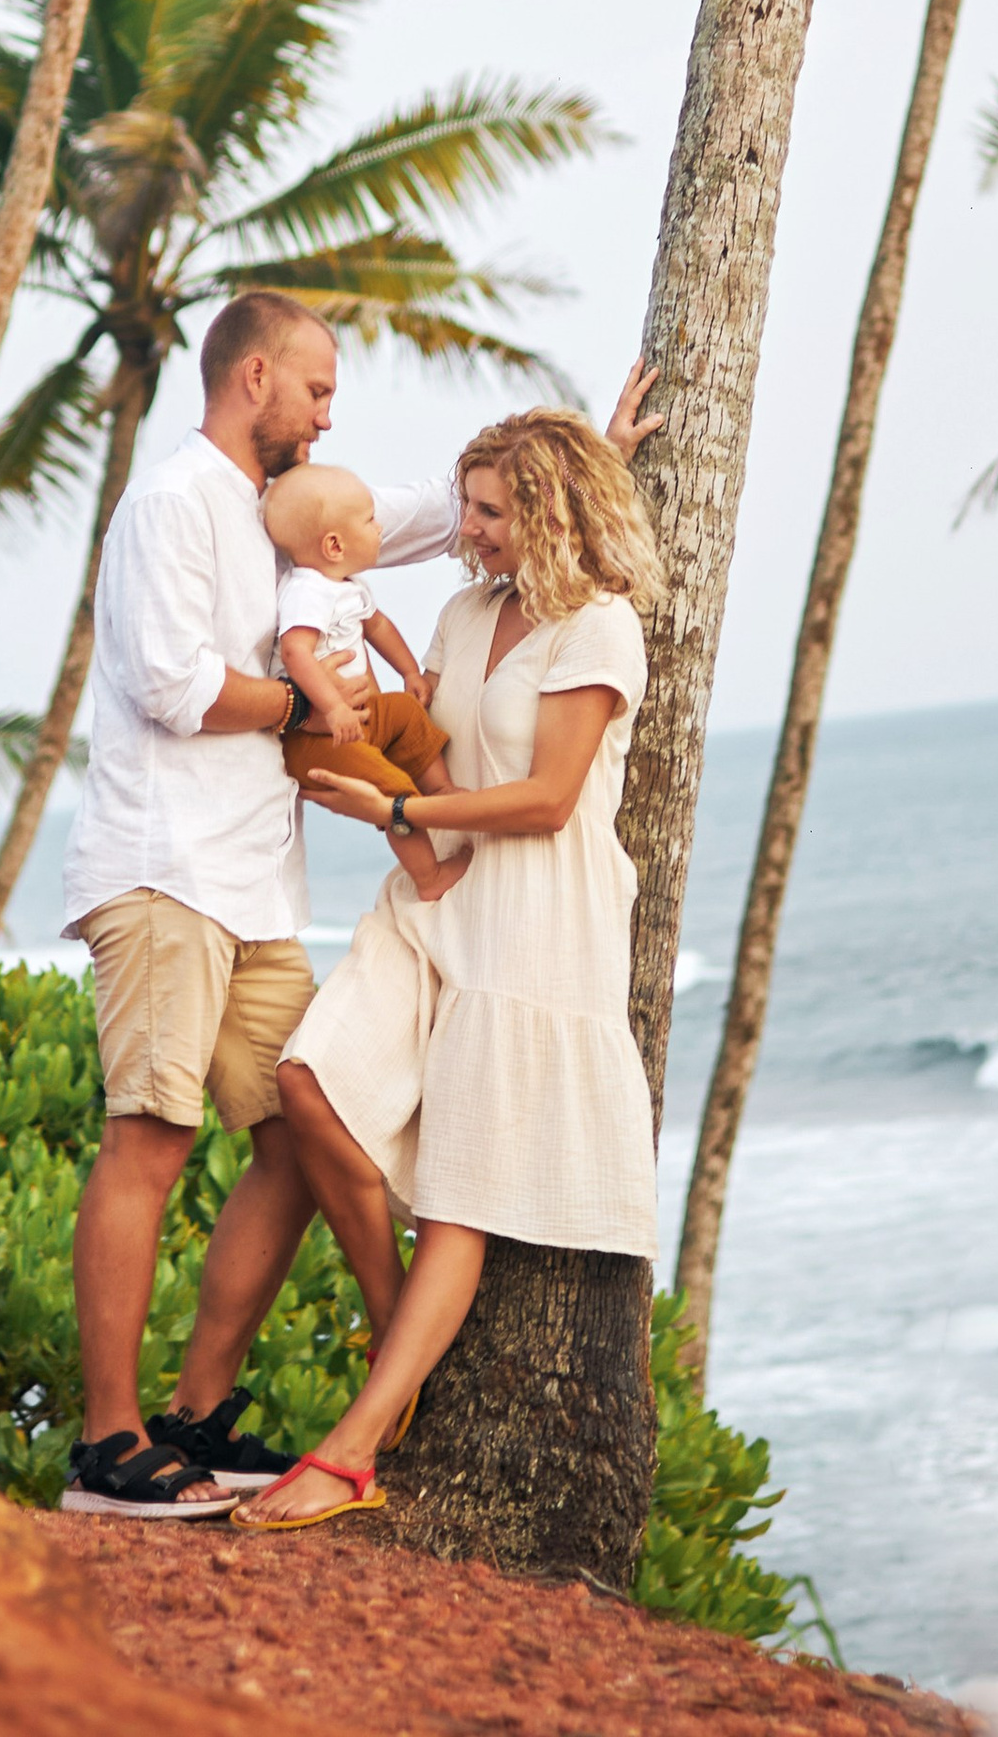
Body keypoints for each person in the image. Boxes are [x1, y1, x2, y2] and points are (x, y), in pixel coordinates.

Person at [236, 388, 665, 1535]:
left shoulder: (600, 628)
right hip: (433, 890)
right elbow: (428, 756)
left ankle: (355, 1445)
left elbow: (548, 797)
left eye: (486, 513)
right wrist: (382, 799)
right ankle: (402, 1345)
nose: (464, 532)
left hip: (535, 920)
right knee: (307, 1084)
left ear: (548, 512)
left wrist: (404, 803)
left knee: (462, 1206)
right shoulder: (467, 615)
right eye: (467, 509)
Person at [55, 289, 409, 1515]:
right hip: (162, 870)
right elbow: (167, 684)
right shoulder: (169, 503)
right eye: (315, 391)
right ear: (252, 377)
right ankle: (107, 1446)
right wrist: (306, 710)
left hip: (256, 888)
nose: (326, 419)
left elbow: (394, 521)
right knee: (148, 1141)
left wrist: (571, 459)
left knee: (303, 1135)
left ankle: (195, 1414)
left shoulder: (277, 521)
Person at [265, 462, 450, 810]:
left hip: (358, 716)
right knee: (392, 790)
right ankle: (429, 866)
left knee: (406, 712)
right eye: (370, 521)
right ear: (334, 545)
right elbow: (296, 653)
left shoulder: (349, 587)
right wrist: (333, 709)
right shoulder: (308, 592)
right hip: (318, 734)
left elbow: (378, 627)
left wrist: (409, 672)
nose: (379, 528)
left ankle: (443, 791)